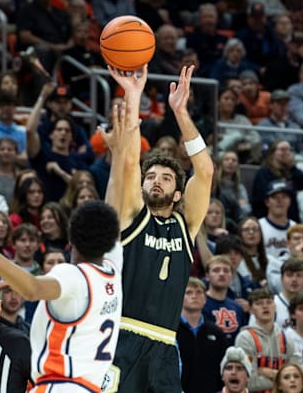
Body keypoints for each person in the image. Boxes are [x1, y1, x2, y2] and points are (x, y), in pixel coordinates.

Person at [100, 64, 213, 393]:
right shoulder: (132, 215)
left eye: (165, 178)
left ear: (178, 193)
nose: (155, 181)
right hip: (122, 337)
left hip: (165, 344)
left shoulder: (185, 224)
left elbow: (205, 170)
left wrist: (180, 112)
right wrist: (133, 96)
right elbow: (129, 160)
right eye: (151, 177)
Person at [0, 200, 122, 392]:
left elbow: (32, 289)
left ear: (71, 239)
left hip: (60, 386)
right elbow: (116, 200)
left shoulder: (73, 276)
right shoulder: (113, 270)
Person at [235, 288, 301, 392]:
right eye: (259, 303)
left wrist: (266, 372)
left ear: (275, 307)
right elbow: (248, 382)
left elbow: (298, 377)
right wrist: (283, 378)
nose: (265, 306)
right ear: (251, 310)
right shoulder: (245, 338)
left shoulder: (287, 338)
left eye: (269, 302)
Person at [177, 277, 228, 393]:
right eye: (189, 292)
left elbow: (223, 367)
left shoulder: (217, 332)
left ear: (205, 299)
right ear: (180, 297)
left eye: (199, 292)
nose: (194, 296)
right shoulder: (171, 331)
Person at [202, 255, 249, 345]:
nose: (222, 274)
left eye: (226, 270)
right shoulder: (200, 304)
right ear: (207, 276)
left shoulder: (237, 307)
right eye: (216, 270)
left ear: (231, 275)